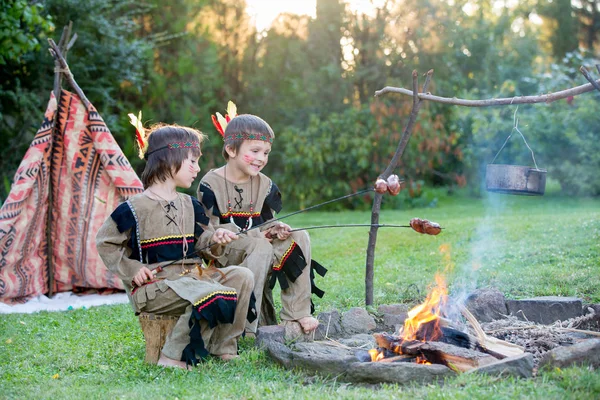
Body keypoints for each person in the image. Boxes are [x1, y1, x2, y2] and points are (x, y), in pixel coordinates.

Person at [96, 122, 254, 369]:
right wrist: (133, 268)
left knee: (241, 277)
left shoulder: (191, 205)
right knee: (208, 293)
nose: (197, 168)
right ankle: (171, 356)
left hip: (194, 279)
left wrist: (215, 238)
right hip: (156, 287)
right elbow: (106, 243)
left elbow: (202, 243)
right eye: (192, 161)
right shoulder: (134, 208)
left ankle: (223, 346)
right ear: (170, 160)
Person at [197, 103, 326, 335]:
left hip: (258, 244)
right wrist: (222, 235)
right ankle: (246, 324)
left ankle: (298, 312)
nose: (261, 158)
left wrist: (275, 228)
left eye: (265, 153)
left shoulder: (264, 184)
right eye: (255, 151)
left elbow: (265, 221)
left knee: (299, 235)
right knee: (260, 245)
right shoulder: (211, 183)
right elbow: (207, 235)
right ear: (231, 150)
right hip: (227, 253)